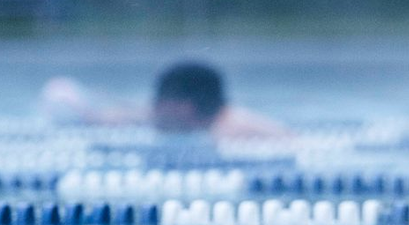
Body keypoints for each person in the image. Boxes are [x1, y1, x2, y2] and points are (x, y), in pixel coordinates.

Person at [40, 61, 288, 139]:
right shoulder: (185, 120)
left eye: (159, 102)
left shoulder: (235, 129)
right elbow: (133, 116)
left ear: (184, 107)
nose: (153, 109)